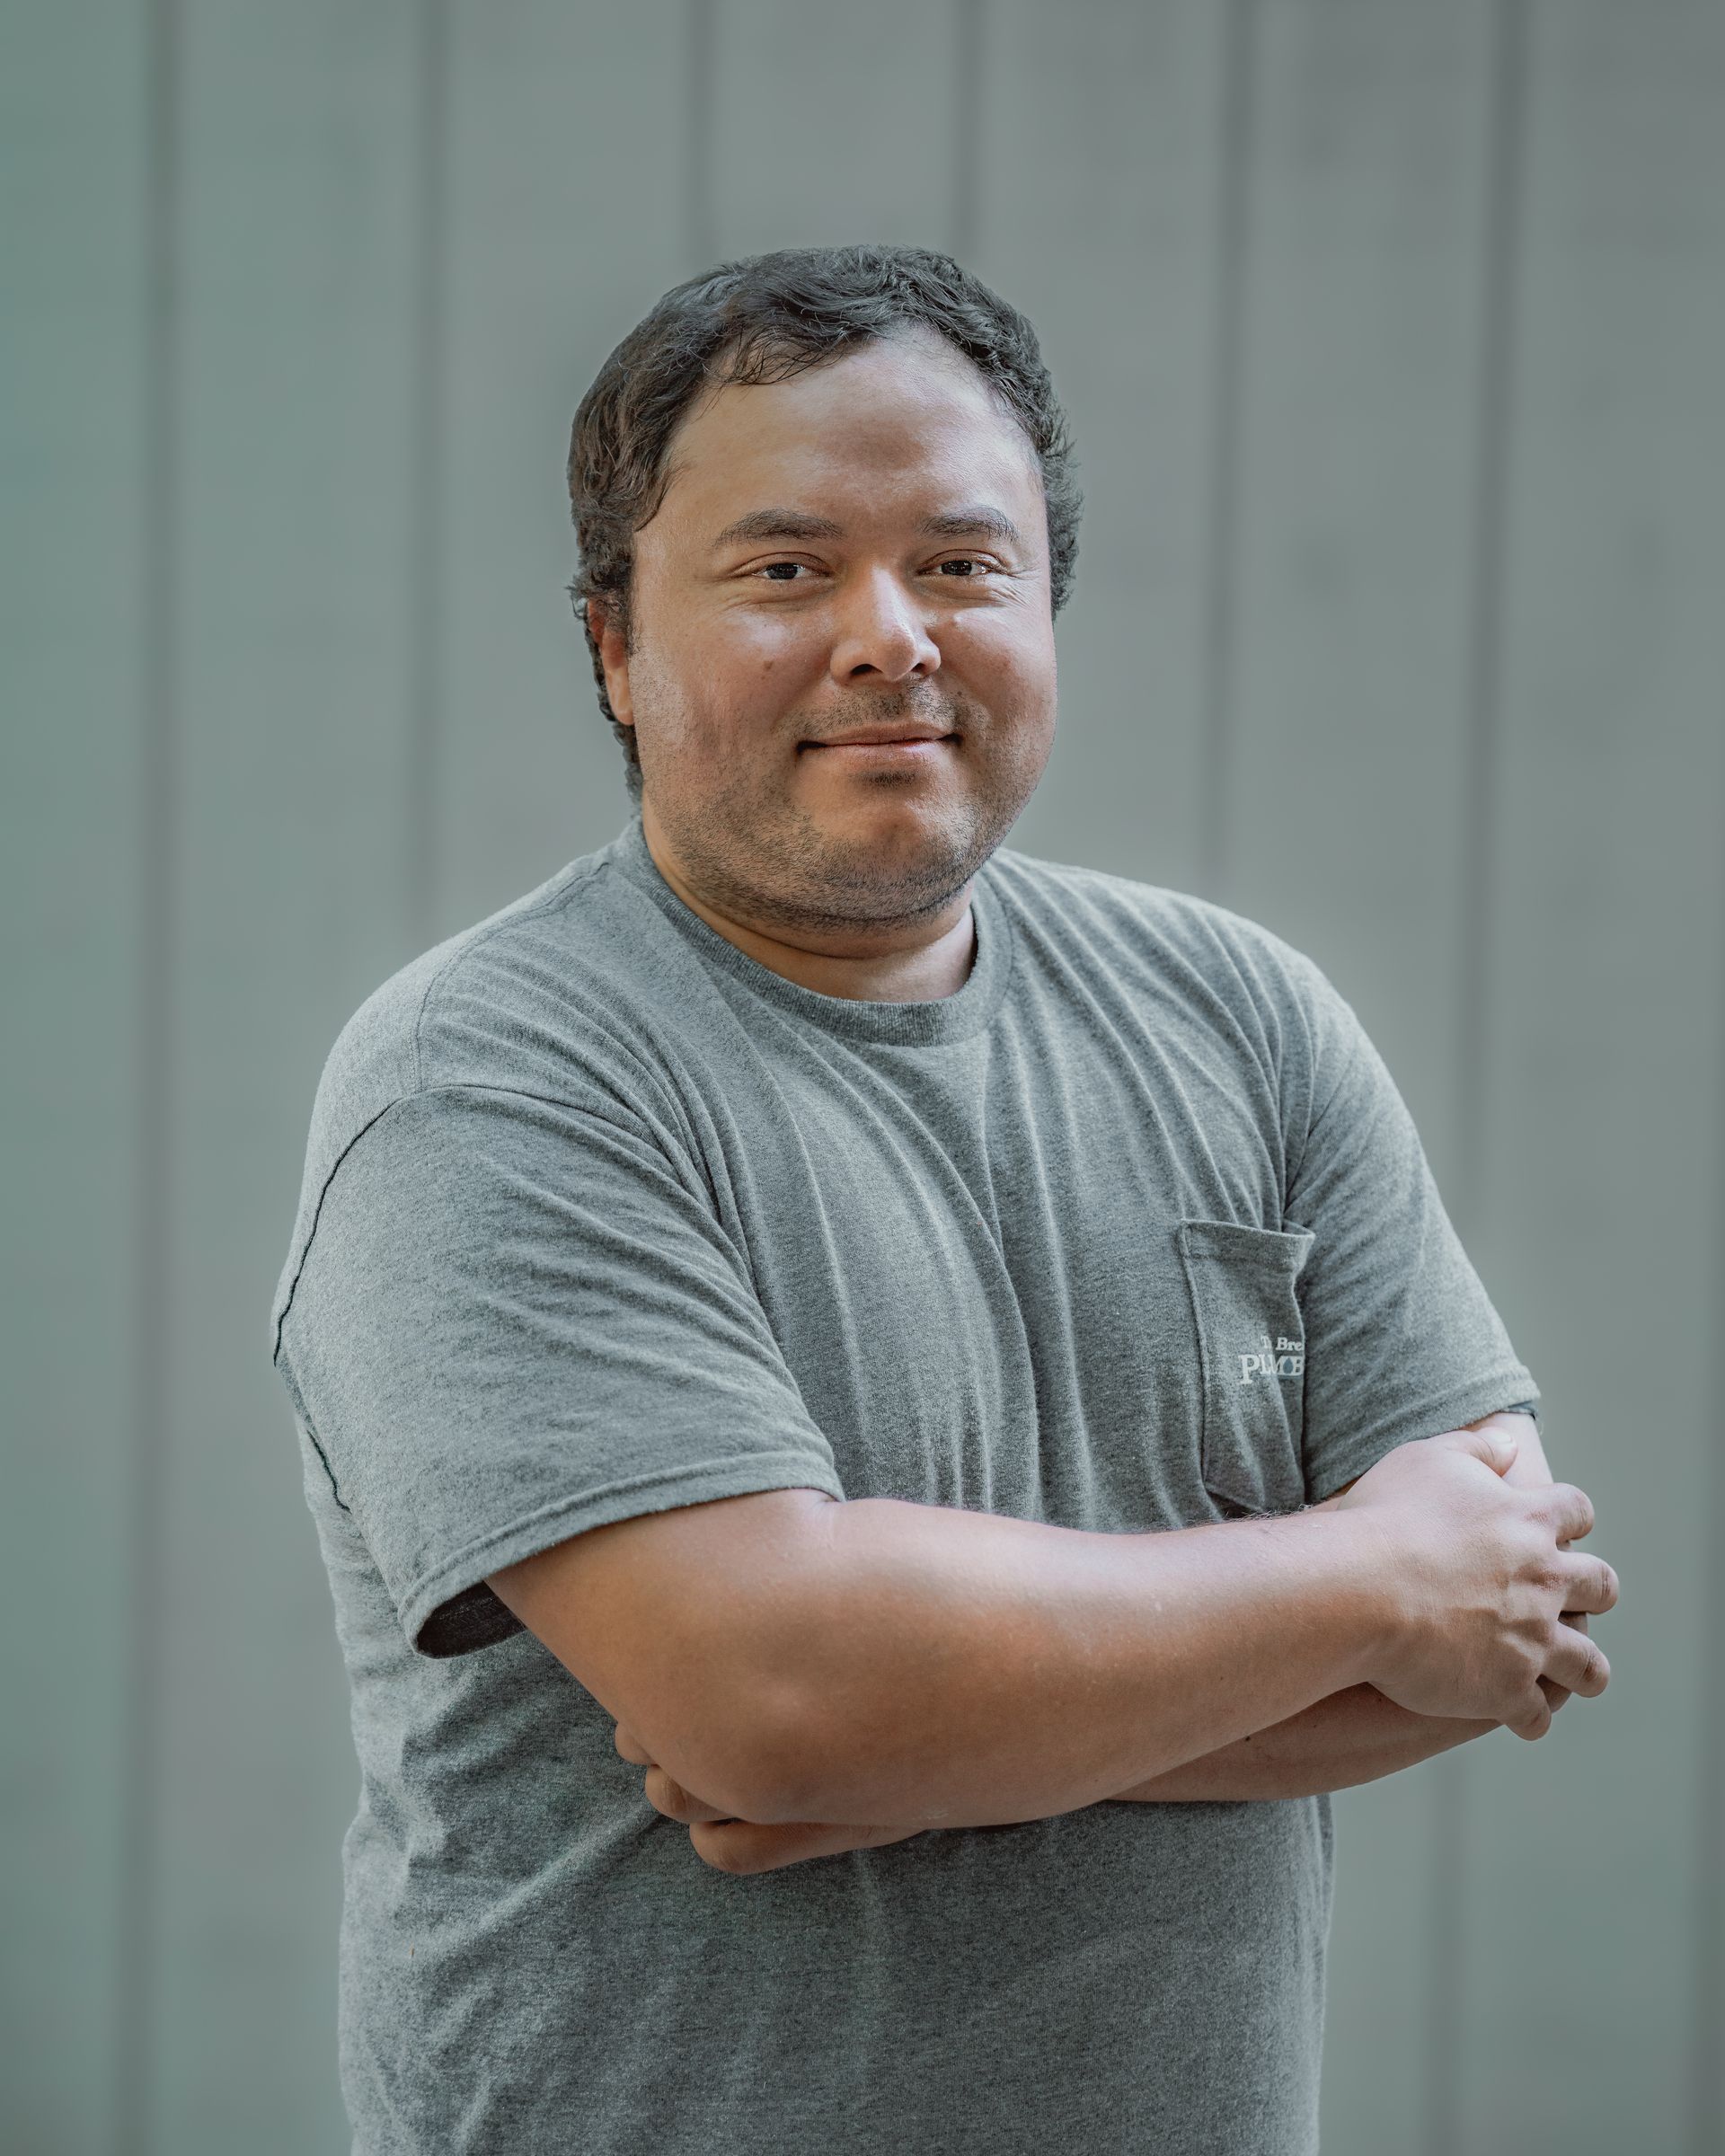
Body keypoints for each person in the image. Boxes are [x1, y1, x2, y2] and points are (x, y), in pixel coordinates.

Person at [268, 243, 1617, 2156]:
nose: (890, 633)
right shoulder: (491, 1079)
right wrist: (1366, 1578)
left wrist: (928, 1754)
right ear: (611, 650)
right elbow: (778, 1691)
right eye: (785, 569)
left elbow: (1515, 1620)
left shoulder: (1246, 1021)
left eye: (965, 564)